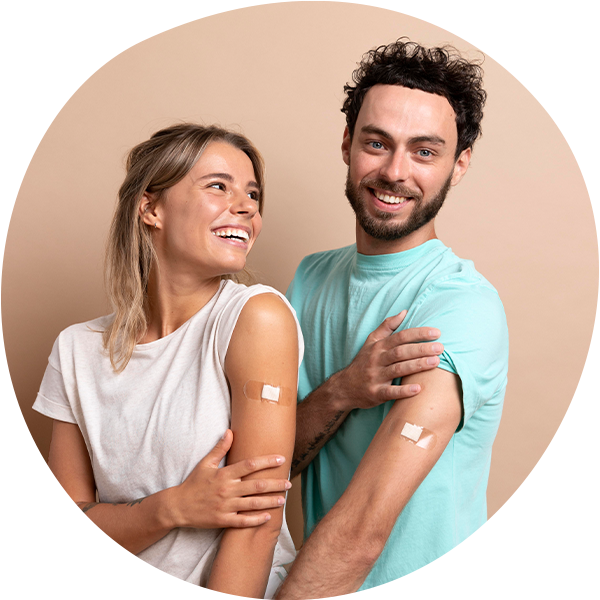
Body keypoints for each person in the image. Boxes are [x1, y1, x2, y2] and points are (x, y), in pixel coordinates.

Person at [277, 40, 519, 598]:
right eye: (376, 143)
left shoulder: (462, 309)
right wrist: (341, 391)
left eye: (424, 152)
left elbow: (364, 527)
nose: (393, 171)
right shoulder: (310, 279)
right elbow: (269, 466)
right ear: (347, 144)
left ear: (458, 166)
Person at [33, 124, 302, 599]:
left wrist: (112, 520)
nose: (247, 207)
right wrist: (173, 508)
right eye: (219, 185)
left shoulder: (256, 318)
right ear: (151, 207)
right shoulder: (76, 350)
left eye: (253, 194)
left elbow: (257, 521)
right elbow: (67, 533)